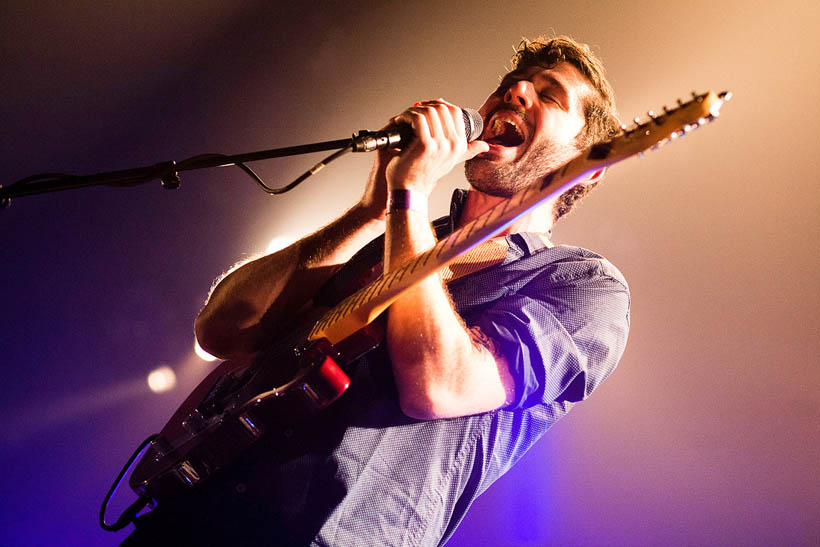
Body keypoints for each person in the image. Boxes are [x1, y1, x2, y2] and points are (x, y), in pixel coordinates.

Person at [124, 36, 630, 546]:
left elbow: (439, 385)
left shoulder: (580, 284)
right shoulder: (393, 233)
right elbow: (223, 330)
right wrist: (374, 209)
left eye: (549, 95)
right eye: (510, 84)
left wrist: (409, 195)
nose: (517, 90)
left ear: (592, 161)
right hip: (188, 518)